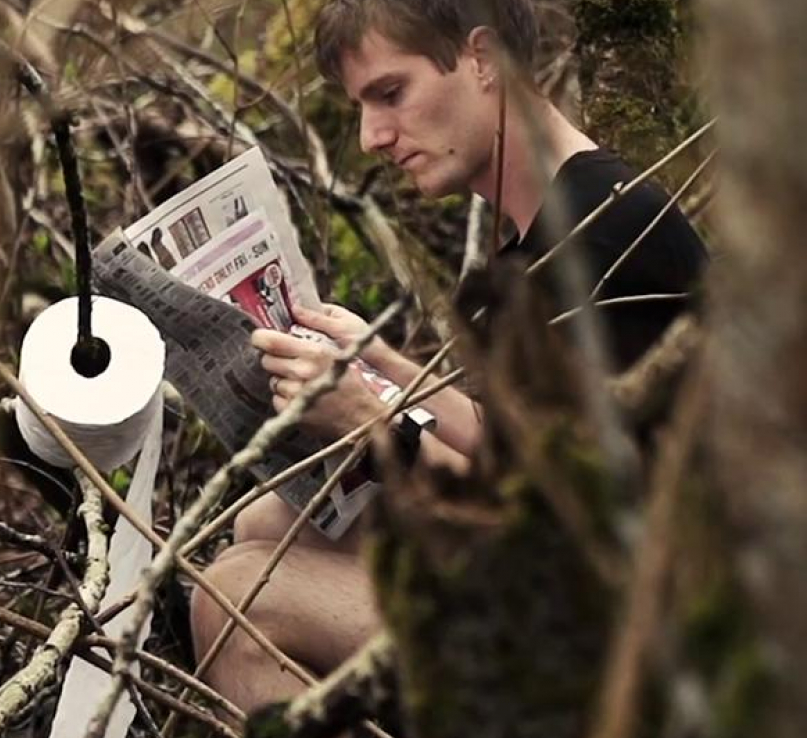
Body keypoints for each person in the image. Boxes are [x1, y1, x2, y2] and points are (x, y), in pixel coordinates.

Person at [189, 0, 708, 718]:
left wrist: (378, 425)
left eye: (390, 93)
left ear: (483, 59)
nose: (372, 136)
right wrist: (382, 365)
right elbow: (521, 439)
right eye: (361, 106)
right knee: (264, 526)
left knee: (233, 598)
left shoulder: (606, 235)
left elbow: (566, 515)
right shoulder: (551, 228)